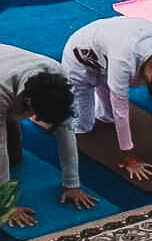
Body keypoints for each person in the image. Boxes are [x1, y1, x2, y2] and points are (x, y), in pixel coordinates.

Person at [0, 43, 95, 227]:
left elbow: (66, 132)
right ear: (28, 102)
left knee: (13, 159)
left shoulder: (59, 81)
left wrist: (72, 184)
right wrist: (5, 204)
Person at [62, 17, 152, 180]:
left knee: (108, 117)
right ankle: (54, 109)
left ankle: (91, 96)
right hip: (80, 58)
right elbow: (121, 112)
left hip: (106, 57)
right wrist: (129, 158)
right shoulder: (124, 61)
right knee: (82, 126)